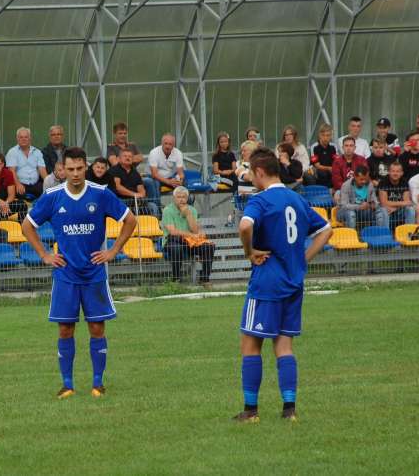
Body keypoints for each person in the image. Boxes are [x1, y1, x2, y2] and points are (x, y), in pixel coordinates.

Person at [21, 147, 137, 399]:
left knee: (97, 328)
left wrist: (113, 250)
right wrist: (45, 255)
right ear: (63, 169)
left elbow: (130, 220)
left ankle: (98, 383)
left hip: (94, 273)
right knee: (65, 330)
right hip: (66, 274)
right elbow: (27, 226)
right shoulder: (52, 196)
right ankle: (67, 384)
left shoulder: (101, 194)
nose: (75, 174)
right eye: (70, 169)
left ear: (86, 167)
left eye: (79, 169)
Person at [234, 147, 332, 423]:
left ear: (260, 172)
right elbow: (326, 230)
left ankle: (251, 411)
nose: (251, 178)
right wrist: (303, 259)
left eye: (252, 173)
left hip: (266, 282)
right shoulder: (296, 198)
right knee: (284, 346)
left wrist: (249, 252)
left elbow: (244, 226)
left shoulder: (261, 200)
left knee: (250, 344)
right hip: (293, 280)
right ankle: (289, 410)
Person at [161, 186, 215, 284]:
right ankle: (176, 279)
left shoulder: (192, 210)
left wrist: (188, 214)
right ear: (174, 198)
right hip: (172, 240)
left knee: (209, 247)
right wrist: (191, 235)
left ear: (187, 198)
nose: (181, 199)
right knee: (176, 248)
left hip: (190, 241)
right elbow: (172, 232)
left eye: (184, 197)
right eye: (179, 197)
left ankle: (204, 278)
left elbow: (195, 230)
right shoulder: (167, 210)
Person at [337, 165, 387, 230]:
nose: (364, 181)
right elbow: (344, 205)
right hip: (345, 212)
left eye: (365, 179)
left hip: (364, 212)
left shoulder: (370, 184)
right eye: (361, 179)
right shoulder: (346, 185)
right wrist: (359, 207)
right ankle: (351, 237)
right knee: (351, 214)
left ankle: (380, 234)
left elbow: (375, 201)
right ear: (354, 177)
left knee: (381, 211)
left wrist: (373, 205)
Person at [6, 127, 48, 199]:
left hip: (35, 184)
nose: (24, 139)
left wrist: (49, 184)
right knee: (21, 196)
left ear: (30, 138)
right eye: (21, 137)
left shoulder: (37, 152)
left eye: (26, 137)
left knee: (47, 193)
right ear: (17, 138)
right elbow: (11, 171)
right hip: (20, 184)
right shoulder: (12, 152)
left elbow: (42, 170)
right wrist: (18, 184)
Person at [148, 133, 185, 204]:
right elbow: (154, 174)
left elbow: (180, 173)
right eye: (166, 143)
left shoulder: (178, 153)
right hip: (156, 178)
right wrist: (169, 182)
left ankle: (184, 207)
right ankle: (158, 211)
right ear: (162, 143)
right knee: (155, 183)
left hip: (171, 177)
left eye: (170, 144)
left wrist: (180, 180)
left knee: (183, 184)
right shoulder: (154, 152)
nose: (167, 146)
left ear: (173, 145)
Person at [378, 162, 416, 228]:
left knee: (411, 209)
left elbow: (407, 202)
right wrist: (401, 203)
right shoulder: (383, 182)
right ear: (389, 172)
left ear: (402, 173)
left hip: (399, 210)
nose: (395, 173)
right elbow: (383, 203)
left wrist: (395, 207)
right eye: (393, 171)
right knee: (383, 210)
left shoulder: (404, 182)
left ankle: (409, 234)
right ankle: (385, 236)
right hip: (387, 211)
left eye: (398, 171)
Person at [109, 148, 147, 213]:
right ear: (119, 159)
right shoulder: (114, 170)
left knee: (153, 206)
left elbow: (141, 189)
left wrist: (142, 194)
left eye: (130, 156)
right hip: (119, 199)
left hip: (135, 201)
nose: (127, 158)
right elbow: (118, 188)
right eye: (125, 156)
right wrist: (135, 195)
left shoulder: (135, 172)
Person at [311, 124, 337, 189]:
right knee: (322, 174)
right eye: (323, 135)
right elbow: (317, 165)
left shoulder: (333, 147)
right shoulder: (314, 147)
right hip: (319, 170)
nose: (325, 138)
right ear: (319, 135)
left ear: (331, 136)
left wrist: (333, 169)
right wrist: (329, 168)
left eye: (328, 135)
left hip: (330, 169)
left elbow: (335, 162)